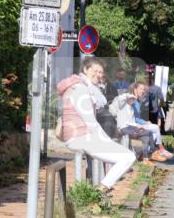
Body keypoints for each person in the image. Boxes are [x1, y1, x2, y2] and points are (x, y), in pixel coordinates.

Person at [56, 58, 137, 194]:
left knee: (125, 157)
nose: (99, 75)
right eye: (95, 71)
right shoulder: (81, 89)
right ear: (85, 70)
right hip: (81, 137)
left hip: (80, 136)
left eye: (101, 72)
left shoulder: (78, 86)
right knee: (128, 157)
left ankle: (101, 190)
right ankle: (100, 192)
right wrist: (106, 140)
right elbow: (90, 122)